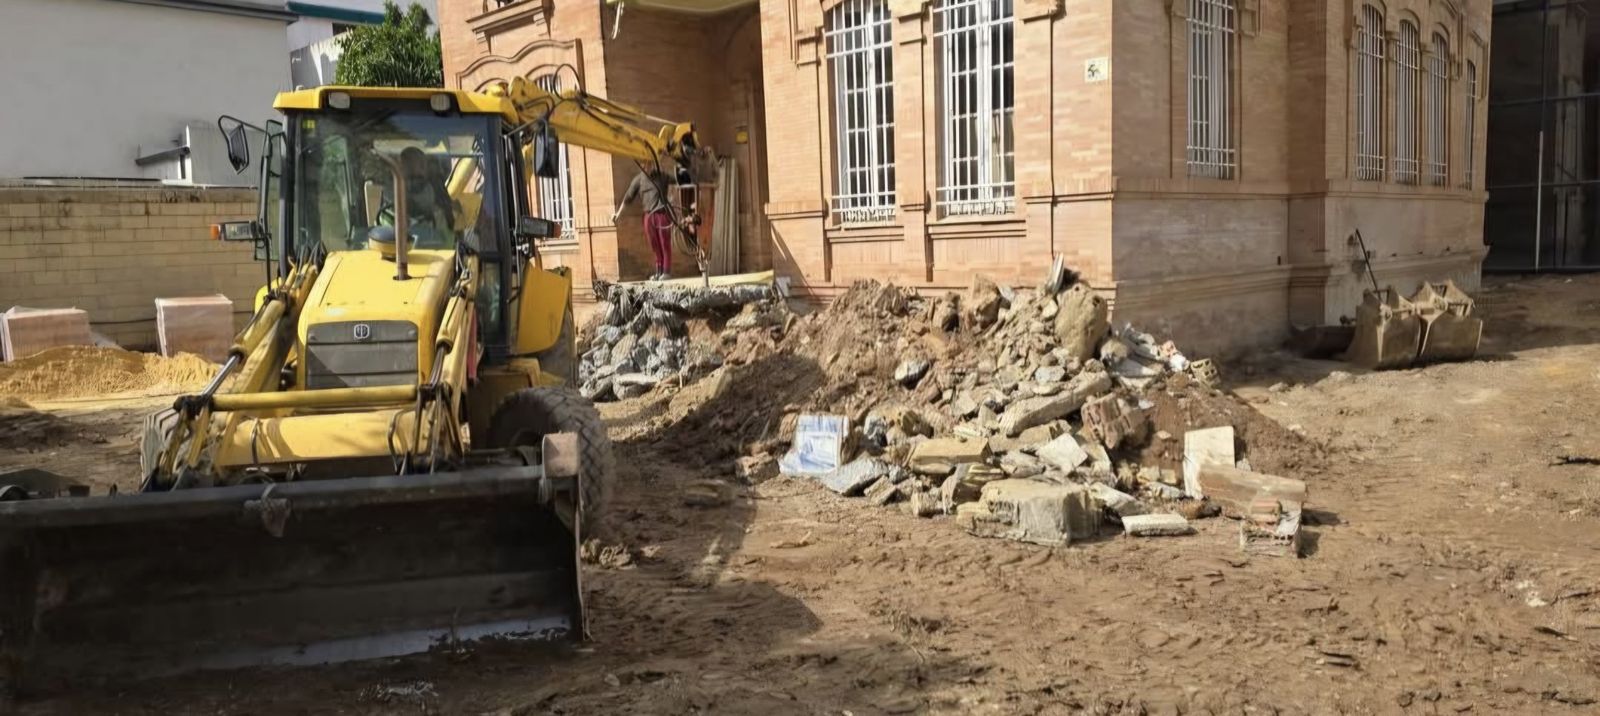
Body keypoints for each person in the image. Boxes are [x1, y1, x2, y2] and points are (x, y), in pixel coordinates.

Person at [613, 166, 673, 281]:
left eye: (650, 162)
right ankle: (659, 272)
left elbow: (678, 180)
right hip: (649, 215)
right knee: (654, 245)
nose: (648, 165)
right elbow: (628, 198)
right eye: (645, 163)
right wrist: (618, 214)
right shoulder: (639, 179)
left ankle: (666, 271)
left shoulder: (662, 176)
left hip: (661, 213)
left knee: (664, 243)